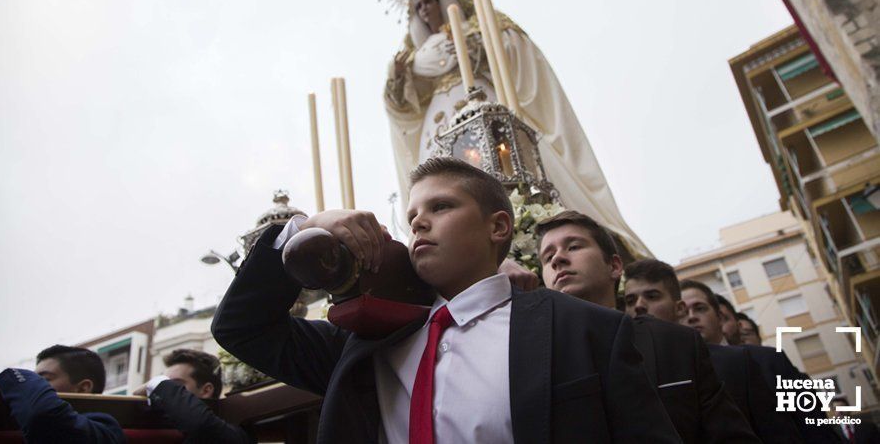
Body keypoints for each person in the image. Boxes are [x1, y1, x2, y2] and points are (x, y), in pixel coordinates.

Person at [212, 157, 680, 443]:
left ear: (498, 227)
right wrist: (305, 227)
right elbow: (242, 328)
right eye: (412, 215)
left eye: (441, 207)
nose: (418, 223)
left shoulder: (584, 329)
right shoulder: (365, 345)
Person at [384, 0, 650, 260]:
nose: (425, 10)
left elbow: (511, 52)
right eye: (418, 7)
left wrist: (474, 48)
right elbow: (403, 110)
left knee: (509, 165)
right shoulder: (415, 57)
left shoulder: (477, 27)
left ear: (443, 1)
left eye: (429, 1)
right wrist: (399, 77)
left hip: (484, 106)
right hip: (439, 125)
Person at [531, 214, 757, 443]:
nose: (558, 258)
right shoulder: (535, 361)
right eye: (548, 257)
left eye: (574, 246)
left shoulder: (676, 343)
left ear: (615, 266)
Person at [707, 287, 843, 443]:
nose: (714, 324)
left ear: (738, 325)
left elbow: (812, 424)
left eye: (722, 318)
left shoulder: (771, 361)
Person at [0, 345, 125, 443]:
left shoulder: (107, 428)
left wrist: (13, 377)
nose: (34, 387)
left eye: (43, 380)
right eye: (35, 382)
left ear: (83, 388)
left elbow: (43, 415)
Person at [136, 348, 254, 443]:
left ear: (206, 390)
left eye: (175, 385)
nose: (167, 394)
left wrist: (158, 384)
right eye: (169, 386)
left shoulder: (233, 435)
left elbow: (202, 425)